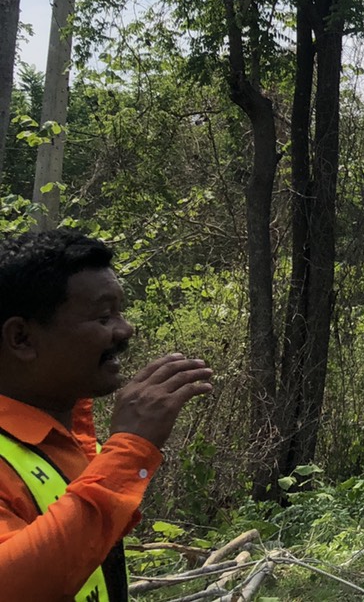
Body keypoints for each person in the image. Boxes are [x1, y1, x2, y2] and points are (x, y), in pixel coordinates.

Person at [0, 229, 215, 601]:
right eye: (103, 317)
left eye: (120, 312)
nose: (125, 329)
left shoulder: (65, 439)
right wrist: (130, 451)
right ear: (22, 338)